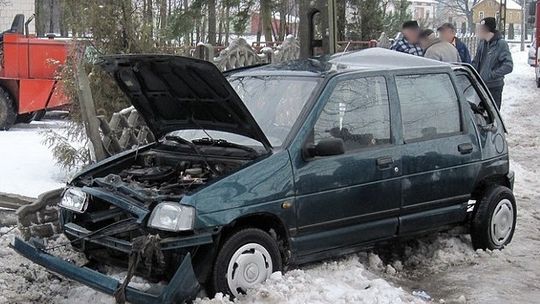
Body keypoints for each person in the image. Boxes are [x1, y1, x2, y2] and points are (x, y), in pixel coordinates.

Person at [472, 17, 513, 109]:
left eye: (479, 29)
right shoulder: (482, 43)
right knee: (479, 113)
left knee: (492, 114)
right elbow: (476, 62)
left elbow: (508, 66)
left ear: (486, 30)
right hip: (480, 85)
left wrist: (491, 74)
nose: (477, 32)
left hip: (494, 87)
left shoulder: (501, 44)